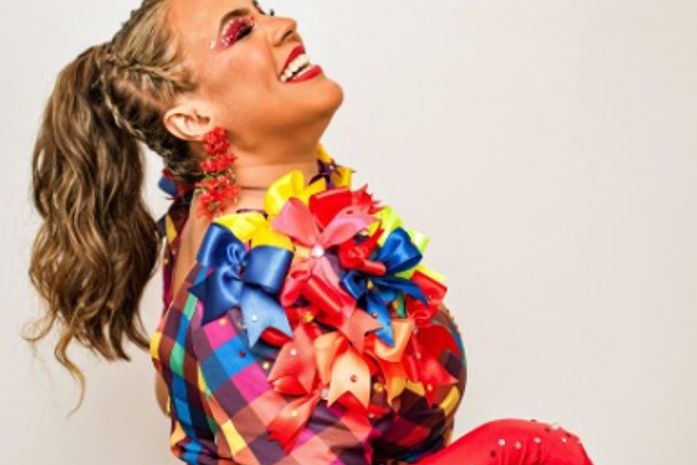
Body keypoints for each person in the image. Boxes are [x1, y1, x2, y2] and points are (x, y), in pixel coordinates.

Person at [25, 0, 596, 464]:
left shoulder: (218, 204)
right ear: (194, 119)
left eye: (264, 11)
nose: (284, 24)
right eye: (239, 31)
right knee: (536, 448)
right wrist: (517, 450)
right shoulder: (244, 299)